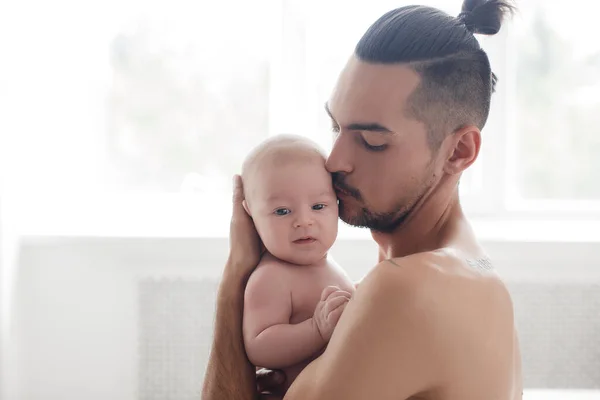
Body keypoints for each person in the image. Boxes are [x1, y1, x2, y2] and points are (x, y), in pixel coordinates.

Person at [202, 0, 523, 398]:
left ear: (458, 152)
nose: (335, 160)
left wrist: (237, 274)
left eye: (372, 142)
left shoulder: (404, 289)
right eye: (335, 126)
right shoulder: (475, 267)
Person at [240, 134, 355, 391]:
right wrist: (315, 328)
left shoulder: (326, 264)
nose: (304, 221)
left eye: (318, 206)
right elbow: (259, 346)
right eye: (282, 211)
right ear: (251, 214)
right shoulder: (272, 277)